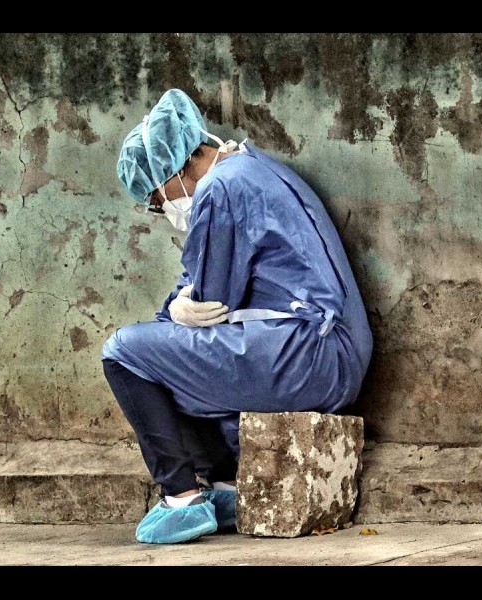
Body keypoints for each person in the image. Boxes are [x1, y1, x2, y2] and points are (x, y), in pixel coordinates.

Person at [101, 89, 373, 544]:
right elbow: (205, 280)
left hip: (309, 355)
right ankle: (227, 490)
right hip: (331, 351)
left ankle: (182, 499)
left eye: (156, 199)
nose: (160, 209)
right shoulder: (254, 166)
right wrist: (177, 307)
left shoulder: (220, 188)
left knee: (125, 352)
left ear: (172, 169)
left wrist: (176, 309)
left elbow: (212, 297)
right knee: (176, 350)